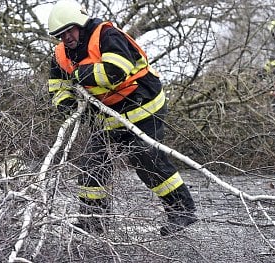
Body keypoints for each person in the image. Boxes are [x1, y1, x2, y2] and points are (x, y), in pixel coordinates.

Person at [47, 0, 197, 236]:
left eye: (69, 30)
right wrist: (66, 103)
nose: (65, 37)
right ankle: (94, 221)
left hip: (144, 106)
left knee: (145, 156)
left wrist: (78, 74)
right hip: (108, 114)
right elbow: (57, 86)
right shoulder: (59, 55)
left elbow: (115, 72)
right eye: (60, 34)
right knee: (92, 164)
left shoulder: (107, 35)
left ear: (81, 24)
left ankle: (182, 211)